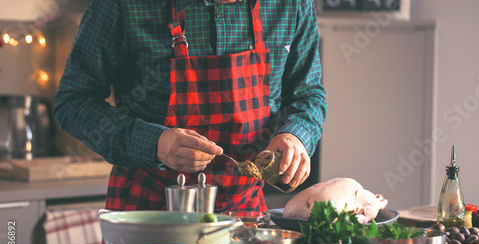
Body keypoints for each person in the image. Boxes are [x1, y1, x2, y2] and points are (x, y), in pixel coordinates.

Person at [55, 0, 327, 214]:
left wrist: (296, 136)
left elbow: (308, 95)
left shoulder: (293, 4)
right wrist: (154, 143)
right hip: (146, 211)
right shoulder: (122, 4)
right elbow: (73, 101)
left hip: (245, 216)